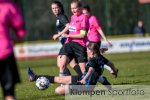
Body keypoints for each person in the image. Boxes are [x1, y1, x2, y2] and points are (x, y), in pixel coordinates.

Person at [28, 42, 111, 95]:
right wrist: (113, 70)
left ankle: (102, 80)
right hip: (82, 79)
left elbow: (90, 70)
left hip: (85, 87)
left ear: (92, 52)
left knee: (58, 91)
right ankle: (35, 77)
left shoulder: (92, 60)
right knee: (60, 79)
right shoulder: (101, 58)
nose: (86, 52)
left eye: (87, 50)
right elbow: (111, 65)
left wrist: (84, 79)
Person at [82, 5, 118, 77]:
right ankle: (112, 68)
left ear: (89, 12)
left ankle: (109, 69)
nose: (85, 14)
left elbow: (99, 29)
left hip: (95, 41)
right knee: (95, 59)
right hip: (88, 42)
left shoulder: (93, 18)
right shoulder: (84, 20)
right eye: (83, 13)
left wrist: (105, 40)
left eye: (86, 13)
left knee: (94, 59)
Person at [0, 0, 26, 100]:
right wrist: (12, 41)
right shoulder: (9, 6)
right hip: (5, 52)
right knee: (9, 94)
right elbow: (21, 32)